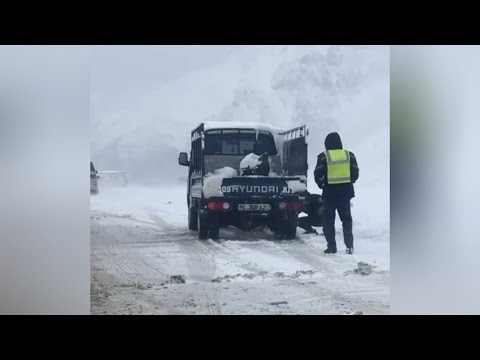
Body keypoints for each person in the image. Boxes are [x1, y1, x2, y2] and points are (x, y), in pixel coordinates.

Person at [314, 132, 359, 254]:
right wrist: (348, 182)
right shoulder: (349, 155)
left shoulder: (323, 157)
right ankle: (349, 246)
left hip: (329, 194)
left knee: (328, 221)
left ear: (327, 144)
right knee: (346, 220)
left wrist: (322, 184)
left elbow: (317, 175)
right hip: (345, 194)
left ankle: (331, 247)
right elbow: (355, 174)